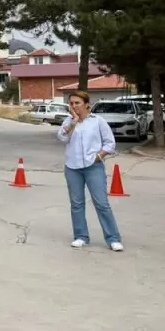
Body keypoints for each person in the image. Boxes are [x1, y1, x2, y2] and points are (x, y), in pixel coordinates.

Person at [58, 90, 123, 252]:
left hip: (93, 166)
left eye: (77, 103)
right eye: (71, 103)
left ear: (87, 104)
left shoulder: (98, 121)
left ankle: (113, 238)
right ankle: (81, 236)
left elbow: (110, 143)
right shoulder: (68, 121)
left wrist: (100, 155)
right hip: (72, 167)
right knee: (77, 204)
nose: (74, 106)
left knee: (101, 203)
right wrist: (73, 123)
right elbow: (62, 138)